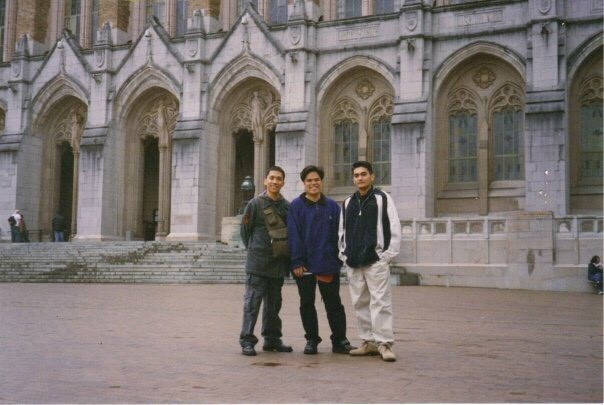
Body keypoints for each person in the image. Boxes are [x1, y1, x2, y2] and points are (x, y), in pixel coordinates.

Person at [287, 165, 356, 355]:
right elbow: (294, 235)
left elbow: (340, 235)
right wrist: (297, 262)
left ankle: (340, 340)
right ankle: (311, 340)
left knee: (334, 304)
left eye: (316, 179)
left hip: (327, 263)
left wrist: (339, 258)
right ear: (304, 183)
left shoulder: (332, 206)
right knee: (307, 304)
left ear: (321, 181)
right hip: (305, 266)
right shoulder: (296, 206)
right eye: (309, 180)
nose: (313, 183)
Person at [339, 161, 401, 362]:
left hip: (375, 261)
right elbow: (342, 232)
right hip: (354, 262)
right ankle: (368, 342)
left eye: (364, 174)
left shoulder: (382, 199)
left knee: (381, 302)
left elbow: (393, 227)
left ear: (372, 176)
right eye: (356, 175)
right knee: (360, 303)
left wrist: (387, 256)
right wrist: (344, 255)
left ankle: (384, 344)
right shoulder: (348, 202)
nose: (360, 178)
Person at [239, 166, 293, 356]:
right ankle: (247, 340)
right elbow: (245, 231)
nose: (275, 182)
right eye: (271, 178)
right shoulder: (254, 204)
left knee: (274, 305)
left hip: (278, 263)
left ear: (283, 183)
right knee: (252, 303)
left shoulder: (287, 206)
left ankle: (272, 339)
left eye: (279, 179)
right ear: (265, 180)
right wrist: (256, 249)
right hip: (258, 263)